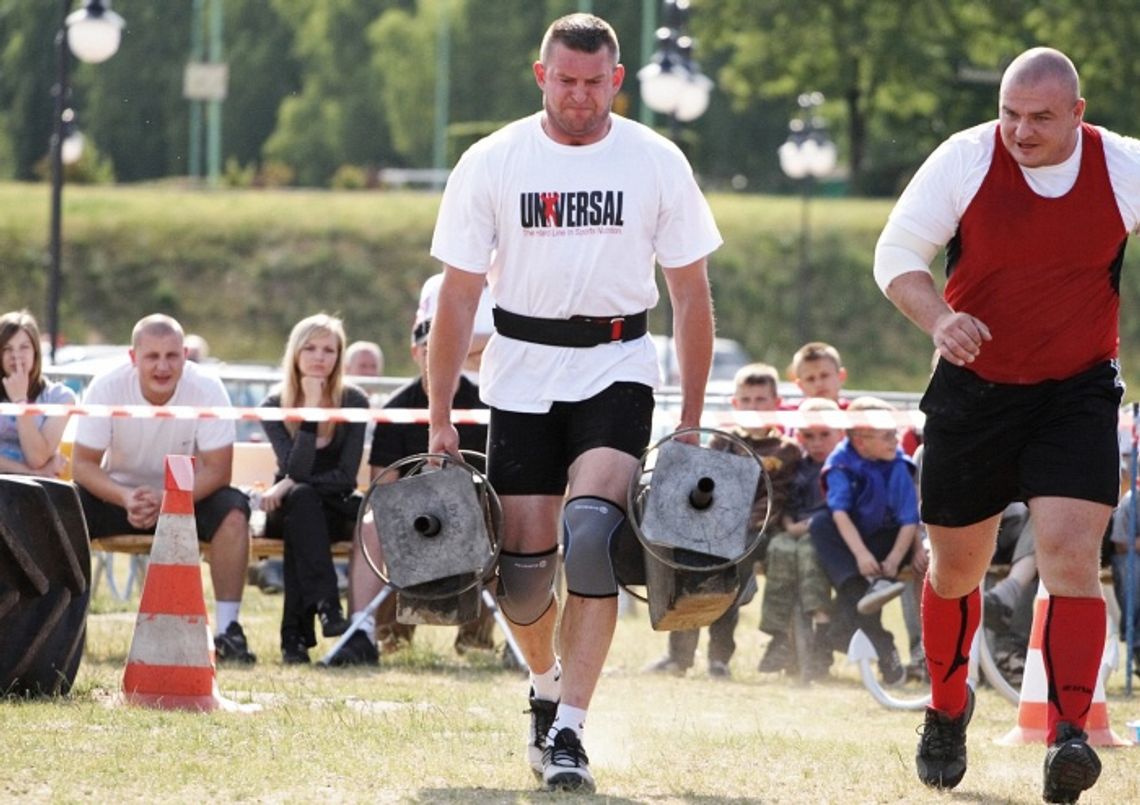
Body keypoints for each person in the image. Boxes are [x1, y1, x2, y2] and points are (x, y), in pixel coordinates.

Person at [425, 13, 721, 794]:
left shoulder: (656, 161)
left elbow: (690, 294)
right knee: (523, 579)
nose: (581, 97)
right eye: (567, 81)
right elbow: (457, 298)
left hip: (617, 363)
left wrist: (689, 418)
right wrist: (441, 416)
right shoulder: (492, 162)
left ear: (617, 80)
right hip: (520, 373)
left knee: (590, 533)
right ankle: (547, 682)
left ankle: (570, 733)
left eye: (595, 83)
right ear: (541, 76)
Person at [873, 47, 1138, 801]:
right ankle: (947, 708)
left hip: (1078, 392)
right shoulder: (964, 158)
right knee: (956, 566)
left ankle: (1068, 738)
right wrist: (940, 317)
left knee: (1070, 554)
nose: (1019, 131)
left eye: (1040, 118)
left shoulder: (1121, 168)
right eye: (1009, 114)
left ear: (1078, 115)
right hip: (974, 389)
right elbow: (896, 253)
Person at [72, 314, 255, 663]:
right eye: (152, 356)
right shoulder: (105, 387)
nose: (162, 366)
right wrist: (126, 497)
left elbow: (219, 471)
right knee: (67, 506)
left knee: (234, 511)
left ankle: (228, 631)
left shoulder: (208, 388)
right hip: (118, 496)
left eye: (171, 356)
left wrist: (170, 499)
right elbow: (82, 466)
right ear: (133, 357)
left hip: (184, 496)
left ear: (185, 355)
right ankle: (64, 628)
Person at [328, 280, 494, 667]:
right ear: (416, 351)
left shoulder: (484, 404)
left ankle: (476, 640)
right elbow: (382, 486)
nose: (433, 356)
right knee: (372, 523)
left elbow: (498, 480)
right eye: (427, 348)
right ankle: (368, 634)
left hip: (475, 506)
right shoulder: (397, 408)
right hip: (410, 512)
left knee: (503, 524)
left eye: (443, 348)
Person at [645, 363, 800, 679]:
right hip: (712, 532)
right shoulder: (722, 442)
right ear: (735, 404)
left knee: (728, 574)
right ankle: (679, 657)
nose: (753, 406)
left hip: (757, 534)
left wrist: (743, 528)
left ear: (776, 403)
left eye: (761, 400)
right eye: (747, 400)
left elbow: (774, 499)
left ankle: (719, 659)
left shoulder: (785, 450)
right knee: (688, 567)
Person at [258, 314, 368, 664]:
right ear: (295, 352)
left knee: (303, 510)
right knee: (302, 505)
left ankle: (295, 637)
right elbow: (298, 467)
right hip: (287, 508)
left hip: (334, 507)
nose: (320, 357)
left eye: (329, 350)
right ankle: (327, 605)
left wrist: (291, 482)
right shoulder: (273, 405)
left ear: (339, 356)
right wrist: (310, 411)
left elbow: (346, 477)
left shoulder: (354, 401)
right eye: (310, 348)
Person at [809, 396, 919, 687]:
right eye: (886, 435)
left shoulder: (897, 464)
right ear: (860, 440)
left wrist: (895, 559)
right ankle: (883, 642)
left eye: (894, 433)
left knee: (887, 540)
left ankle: (833, 633)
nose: (895, 440)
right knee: (820, 523)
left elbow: (910, 519)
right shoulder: (841, 463)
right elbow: (840, 512)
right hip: (852, 543)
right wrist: (859, 554)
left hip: (889, 543)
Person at [756, 397, 843, 679]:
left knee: (808, 551)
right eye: (808, 435)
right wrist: (787, 522)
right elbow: (784, 498)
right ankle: (780, 635)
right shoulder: (798, 464)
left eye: (824, 435)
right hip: (792, 528)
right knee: (780, 548)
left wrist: (805, 527)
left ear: (840, 433)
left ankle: (820, 637)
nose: (816, 442)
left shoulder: (841, 464)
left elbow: (841, 508)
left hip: (829, 535)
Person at [0, 310, 75, 477]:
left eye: (24, 347)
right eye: (7, 348)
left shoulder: (60, 397)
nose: (16, 356)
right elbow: (38, 467)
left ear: (35, 352)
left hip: (36, 497)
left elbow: (37, 458)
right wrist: (31, 472)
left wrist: (20, 402)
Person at [787, 342, 848, 406]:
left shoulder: (856, 412)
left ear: (841, 376)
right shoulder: (787, 414)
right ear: (800, 385)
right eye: (810, 379)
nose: (818, 384)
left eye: (824, 376)